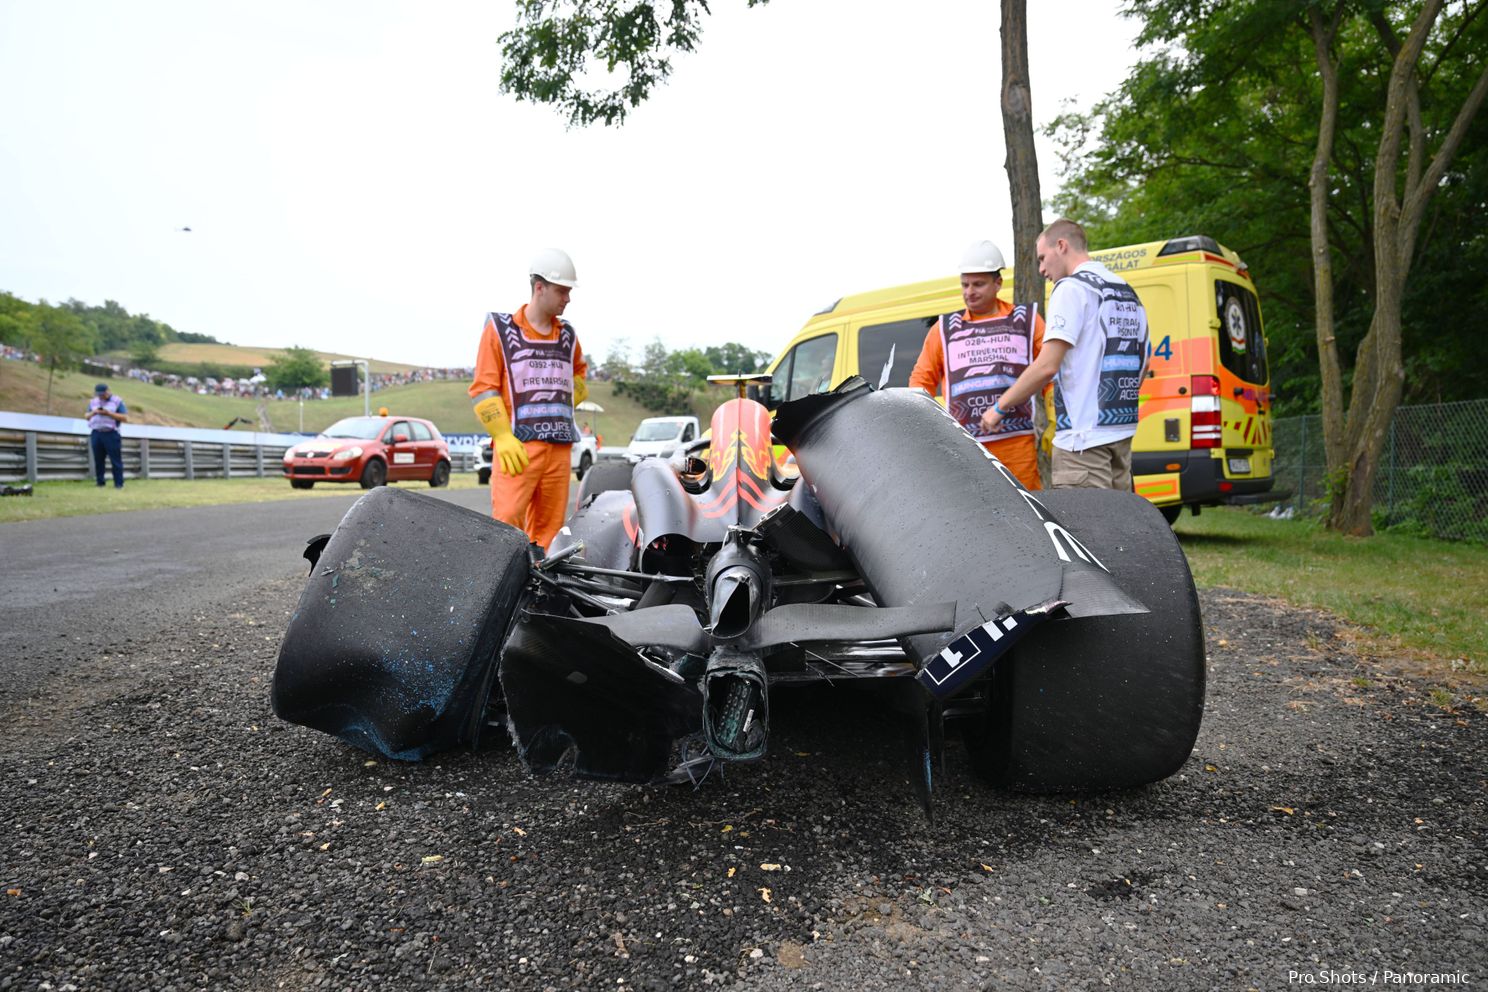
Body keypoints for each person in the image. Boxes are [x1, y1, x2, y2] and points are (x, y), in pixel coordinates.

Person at [979, 219, 1148, 490]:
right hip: (1121, 435)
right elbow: (1143, 361)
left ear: (1062, 246)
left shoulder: (1072, 289)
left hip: (1082, 443)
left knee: (1085, 531)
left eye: (1043, 258)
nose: (1042, 269)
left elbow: (1047, 365)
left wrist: (999, 407)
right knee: (1119, 530)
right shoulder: (1126, 292)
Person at [469, 248, 590, 550]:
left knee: (550, 530)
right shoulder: (499, 331)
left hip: (559, 449)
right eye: (562, 290)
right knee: (507, 521)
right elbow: (484, 387)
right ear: (540, 288)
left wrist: (563, 395)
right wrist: (502, 436)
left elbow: (579, 375)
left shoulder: (568, 337)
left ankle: (542, 592)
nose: (568, 298)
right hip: (518, 447)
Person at [909, 239, 1047, 490]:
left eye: (978, 284)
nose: (969, 291)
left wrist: (1054, 428)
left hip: (1017, 447)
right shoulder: (944, 329)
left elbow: (1050, 371)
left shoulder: (1025, 322)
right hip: (967, 448)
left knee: (1028, 514)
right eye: (965, 284)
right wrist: (929, 432)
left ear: (998, 283)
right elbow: (921, 383)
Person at [86, 382, 128, 488]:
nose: (101, 396)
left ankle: (118, 484)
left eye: (103, 394)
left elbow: (124, 417)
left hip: (111, 433)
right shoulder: (93, 402)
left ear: (108, 391)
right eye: (99, 394)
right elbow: (86, 415)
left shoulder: (117, 401)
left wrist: (109, 413)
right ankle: (100, 482)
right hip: (96, 433)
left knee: (115, 460)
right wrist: (94, 412)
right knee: (98, 459)